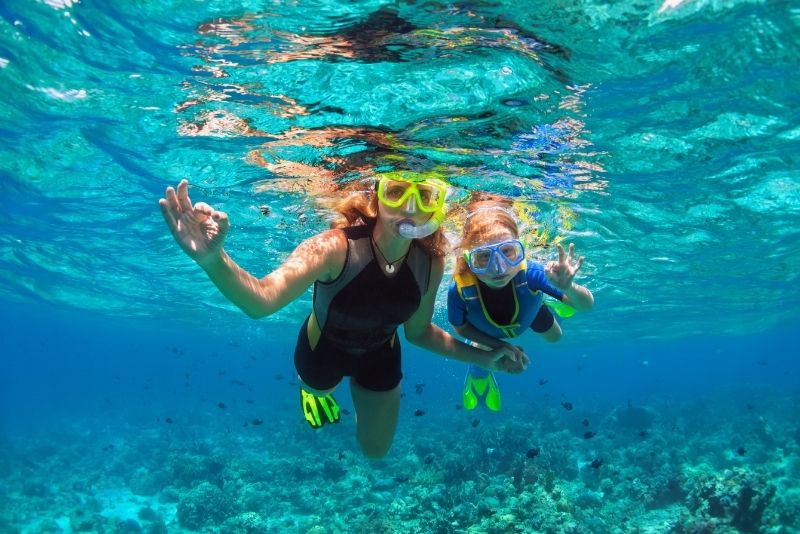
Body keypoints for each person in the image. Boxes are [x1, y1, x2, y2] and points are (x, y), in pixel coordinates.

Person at [159, 177, 527, 458]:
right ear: (377, 197)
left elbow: (418, 333)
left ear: (435, 208)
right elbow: (262, 301)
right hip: (322, 351)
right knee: (319, 389)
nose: (410, 207)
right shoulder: (334, 246)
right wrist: (213, 259)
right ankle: (311, 390)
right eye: (397, 192)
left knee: (375, 451)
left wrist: (485, 358)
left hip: (381, 355)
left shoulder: (431, 262)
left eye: (425, 196)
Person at [448, 196, 594, 411]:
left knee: (555, 337)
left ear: (521, 250)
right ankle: (478, 375)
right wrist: (500, 346)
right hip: (486, 331)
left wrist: (568, 288)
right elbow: (459, 327)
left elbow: (586, 306)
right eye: (483, 257)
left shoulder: (532, 273)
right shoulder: (460, 290)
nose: (498, 268)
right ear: (469, 259)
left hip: (530, 310)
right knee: (482, 352)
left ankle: (552, 298)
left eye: (508, 252)